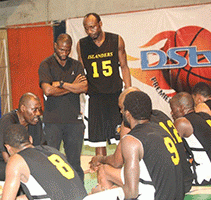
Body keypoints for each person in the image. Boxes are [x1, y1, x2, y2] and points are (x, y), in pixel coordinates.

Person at [88, 87, 193, 196]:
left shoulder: (131, 139)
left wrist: (102, 194)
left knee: (98, 184)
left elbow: (131, 192)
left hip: (156, 193)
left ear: (127, 113)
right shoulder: (160, 127)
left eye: (122, 109)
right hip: (179, 189)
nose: (120, 112)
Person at [77, 13, 131, 156]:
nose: (90, 31)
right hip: (95, 96)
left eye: (92, 27)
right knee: (98, 140)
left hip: (115, 94)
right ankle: (101, 171)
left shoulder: (116, 40)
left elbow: (124, 66)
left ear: (100, 24)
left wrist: (129, 90)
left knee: (121, 136)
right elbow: (81, 71)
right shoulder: (82, 45)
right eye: (86, 28)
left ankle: (122, 168)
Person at [38, 33, 88, 181]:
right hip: (52, 121)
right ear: (55, 46)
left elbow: (84, 87)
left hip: (74, 121)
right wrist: (73, 86)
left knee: (74, 163)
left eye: (67, 50)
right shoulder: (46, 65)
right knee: (52, 161)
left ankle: (79, 194)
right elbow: (48, 90)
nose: (64, 53)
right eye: (61, 50)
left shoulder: (77, 65)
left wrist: (61, 84)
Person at [1, 124, 87, 200]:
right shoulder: (52, 150)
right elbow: (55, 189)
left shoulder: (16, 160)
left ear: (8, 147)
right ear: (30, 139)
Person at [0, 92, 44, 181]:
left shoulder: (35, 122)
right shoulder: (7, 121)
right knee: (26, 171)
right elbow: (6, 156)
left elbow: (39, 148)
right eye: (34, 109)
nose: (38, 113)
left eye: (39, 109)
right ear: (23, 108)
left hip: (22, 162)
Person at [170, 92, 211, 185]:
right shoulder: (205, 116)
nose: (171, 113)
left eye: (173, 109)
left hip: (205, 175)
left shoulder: (181, 122)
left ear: (182, 108)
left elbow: (170, 149)